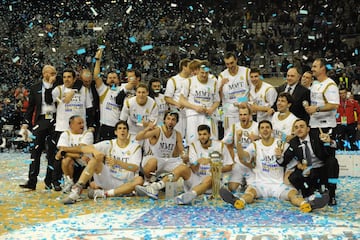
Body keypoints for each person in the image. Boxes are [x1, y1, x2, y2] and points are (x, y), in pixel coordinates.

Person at [220, 120, 329, 213]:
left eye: (267, 127)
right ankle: (239, 202)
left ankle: (306, 204)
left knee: (293, 195)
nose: (265, 129)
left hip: (278, 184)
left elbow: (293, 158)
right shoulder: (255, 145)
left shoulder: (281, 144)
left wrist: (294, 169)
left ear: (271, 130)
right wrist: (238, 142)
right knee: (249, 194)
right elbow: (243, 157)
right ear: (259, 131)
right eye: (262, 128)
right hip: (260, 183)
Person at [135, 124, 233, 204]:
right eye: (200, 134)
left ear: (210, 135)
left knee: (209, 178)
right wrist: (196, 162)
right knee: (182, 167)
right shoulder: (194, 145)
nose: (202, 137)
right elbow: (194, 168)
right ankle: (155, 187)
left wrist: (215, 167)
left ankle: (190, 195)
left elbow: (229, 166)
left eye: (204, 134)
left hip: (212, 182)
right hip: (196, 178)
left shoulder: (220, 146)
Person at [62, 120, 143, 204]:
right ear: (115, 132)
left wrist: (118, 162)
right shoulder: (110, 144)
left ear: (128, 132)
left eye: (124, 128)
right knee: (95, 160)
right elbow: (83, 148)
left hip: (125, 182)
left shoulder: (135, 147)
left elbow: (134, 167)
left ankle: (105, 193)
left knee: (139, 180)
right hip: (109, 179)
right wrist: (94, 151)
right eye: (119, 128)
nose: (122, 130)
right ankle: (77, 189)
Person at [305, 58, 340, 205]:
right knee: (317, 160)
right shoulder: (315, 85)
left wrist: (316, 109)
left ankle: (332, 192)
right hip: (313, 126)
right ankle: (321, 188)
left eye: (315, 66)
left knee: (330, 161)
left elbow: (334, 104)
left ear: (323, 68)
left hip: (326, 127)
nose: (312, 69)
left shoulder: (330, 85)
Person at [19, 65, 60, 191]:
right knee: (35, 151)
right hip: (41, 120)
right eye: (51, 73)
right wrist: (26, 123)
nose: (53, 75)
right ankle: (32, 181)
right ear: (44, 73)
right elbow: (31, 108)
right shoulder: (35, 87)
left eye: (54, 72)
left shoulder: (59, 86)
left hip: (56, 120)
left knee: (52, 152)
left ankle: (51, 181)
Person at [280, 119, 336, 200]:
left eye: (302, 127)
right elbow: (284, 161)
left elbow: (331, 152)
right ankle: (310, 193)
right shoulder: (293, 142)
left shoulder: (318, 136)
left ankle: (332, 194)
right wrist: (279, 157)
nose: (299, 129)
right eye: (296, 127)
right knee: (293, 177)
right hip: (308, 169)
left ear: (308, 129)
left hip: (322, 168)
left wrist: (329, 142)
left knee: (332, 162)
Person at [136, 111, 187, 180]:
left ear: (176, 122)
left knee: (183, 167)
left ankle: (164, 183)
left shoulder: (177, 134)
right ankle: (147, 181)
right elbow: (138, 137)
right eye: (168, 119)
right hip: (154, 158)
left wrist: (184, 155)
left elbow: (182, 150)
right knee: (152, 162)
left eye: (173, 119)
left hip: (168, 160)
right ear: (164, 120)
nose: (170, 122)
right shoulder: (158, 130)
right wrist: (147, 128)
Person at [180, 61, 220, 143]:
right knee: (193, 140)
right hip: (193, 115)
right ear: (197, 70)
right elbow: (181, 100)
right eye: (202, 72)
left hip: (209, 115)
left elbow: (217, 101)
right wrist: (195, 107)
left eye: (206, 73)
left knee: (212, 140)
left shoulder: (214, 83)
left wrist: (212, 109)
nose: (204, 75)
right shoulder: (189, 82)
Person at [222, 104, 258, 192]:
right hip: (238, 161)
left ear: (250, 116)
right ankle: (241, 180)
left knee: (252, 190)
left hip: (252, 163)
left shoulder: (257, 127)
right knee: (232, 188)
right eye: (241, 115)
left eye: (245, 114)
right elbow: (223, 143)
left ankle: (247, 181)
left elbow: (266, 141)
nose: (243, 117)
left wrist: (257, 138)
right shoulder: (234, 127)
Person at [55, 115, 94, 193]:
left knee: (66, 157)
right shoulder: (65, 134)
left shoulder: (88, 134)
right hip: (73, 166)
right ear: (71, 125)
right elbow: (64, 153)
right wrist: (79, 156)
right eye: (79, 123)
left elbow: (80, 149)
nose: (82, 125)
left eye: (83, 123)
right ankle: (69, 182)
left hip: (85, 166)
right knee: (66, 160)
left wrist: (65, 151)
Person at [93, 49, 123, 141]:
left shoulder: (123, 90)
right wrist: (98, 61)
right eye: (110, 78)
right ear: (106, 80)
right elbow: (96, 77)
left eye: (114, 78)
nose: (112, 79)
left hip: (120, 127)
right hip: (105, 127)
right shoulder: (103, 90)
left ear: (118, 80)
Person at [218, 52, 251, 132]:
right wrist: (221, 86)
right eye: (227, 64)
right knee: (229, 137)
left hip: (244, 109)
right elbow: (219, 97)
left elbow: (252, 90)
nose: (230, 66)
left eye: (232, 63)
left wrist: (243, 101)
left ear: (236, 60)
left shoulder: (246, 72)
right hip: (229, 112)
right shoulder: (222, 76)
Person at [164, 58, 191, 140]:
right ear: (184, 67)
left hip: (190, 112)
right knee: (177, 137)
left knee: (190, 137)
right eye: (190, 67)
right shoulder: (173, 80)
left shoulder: (193, 79)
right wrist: (177, 104)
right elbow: (167, 98)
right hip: (177, 113)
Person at [79, 68, 100, 140]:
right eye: (85, 81)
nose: (88, 83)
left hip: (94, 116)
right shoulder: (77, 88)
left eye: (89, 81)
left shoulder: (94, 86)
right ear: (80, 79)